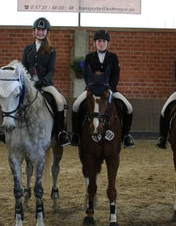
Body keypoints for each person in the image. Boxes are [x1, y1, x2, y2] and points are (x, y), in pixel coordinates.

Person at [70, 29, 134, 148]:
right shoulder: (89, 57)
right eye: (99, 41)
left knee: (128, 107)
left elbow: (115, 75)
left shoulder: (113, 57)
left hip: (110, 90)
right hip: (91, 90)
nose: (101, 43)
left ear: (107, 43)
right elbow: (86, 75)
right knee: (76, 106)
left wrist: (110, 88)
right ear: (95, 43)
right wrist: (91, 87)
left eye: (104, 41)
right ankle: (76, 134)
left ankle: (126, 135)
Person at [22, 17, 71, 146]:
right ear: (34, 31)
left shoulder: (51, 50)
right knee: (14, 97)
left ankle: (60, 133)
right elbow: (23, 67)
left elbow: (51, 71)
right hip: (30, 84)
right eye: (38, 29)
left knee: (60, 102)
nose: (40, 32)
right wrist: (28, 81)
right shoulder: (28, 49)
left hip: (45, 85)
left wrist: (43, 81)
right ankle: (10, 130)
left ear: (47, 32)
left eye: (43, 30)